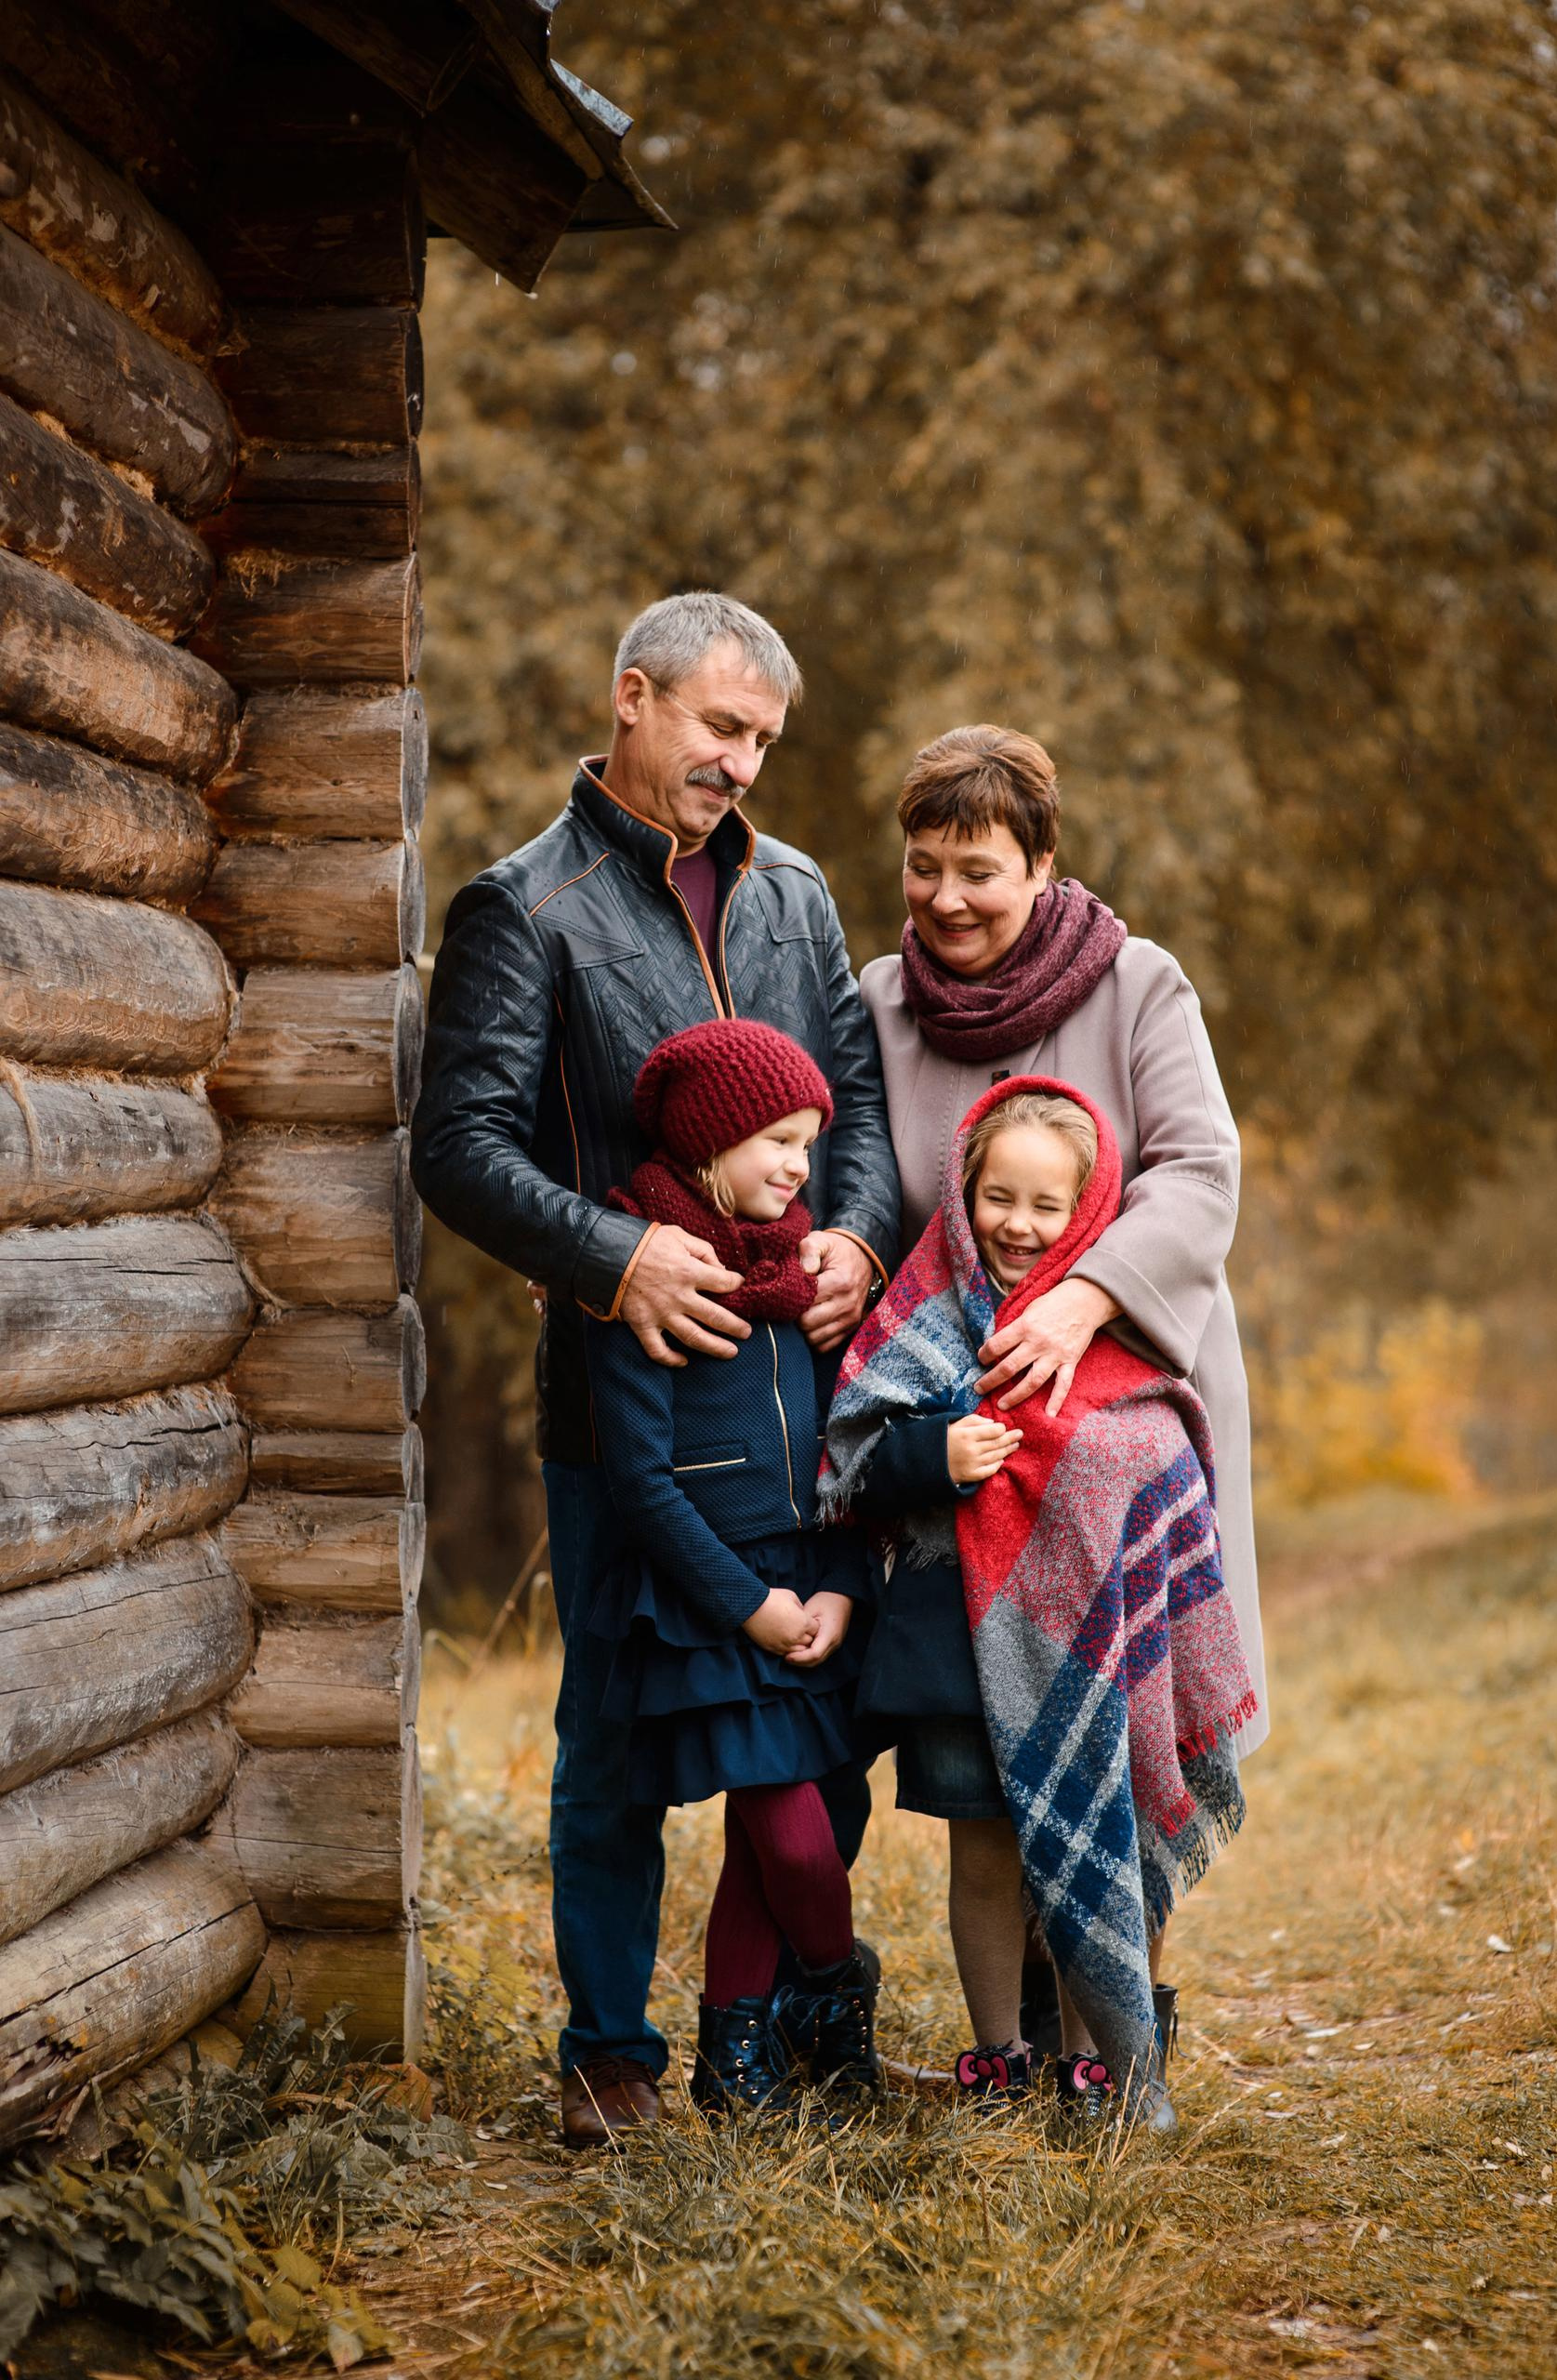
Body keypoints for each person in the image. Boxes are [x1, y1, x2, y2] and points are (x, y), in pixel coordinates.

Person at [411, 594, 900, 2148]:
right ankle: (607, 2057)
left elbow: (859, 1113)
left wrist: (858, 1237)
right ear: (632, 697)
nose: (739, 761)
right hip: (623, 1403)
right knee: (616, 1738)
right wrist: (611, 1257)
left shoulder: (797, 895)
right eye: (717, 725)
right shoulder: (524, 907)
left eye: (761, 740)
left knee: (818, 1726)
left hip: (798, 1401)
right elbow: (457, 1148)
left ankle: (774, 2027)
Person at [855, 724, 1269, 2075]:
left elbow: (1198, 1172)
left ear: (1041, 866)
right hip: (972, 1447)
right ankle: (1018, 2031)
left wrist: (1083, 1300)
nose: (946, 898)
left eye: (977, 869)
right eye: (923, 867)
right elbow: (863, 1188)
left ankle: (1116, 2024)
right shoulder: (877, 1004)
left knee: (1121, 1704)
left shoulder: (1139, 986)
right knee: (990, 1750)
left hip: (1126, 1415)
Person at [825, 1082, 1257, 2125]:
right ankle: (997, 2057)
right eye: (996, 1197)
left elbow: (1155, 1473)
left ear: (1086, 1210)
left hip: (1097, 1656)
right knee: (982, 1857)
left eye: (1045, 1205)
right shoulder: (922, 1315)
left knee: (1090, 1846)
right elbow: (852, 1459)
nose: (1016, 1225)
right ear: (960, 1193)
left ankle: (1086, 2061)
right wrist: (935, 1455)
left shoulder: (1114, 1335)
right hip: (952, 1651)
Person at [587, 1020, 879, 2113]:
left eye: (809, 1142)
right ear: (713, 1137)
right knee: (794, 1845)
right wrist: (747, 1605)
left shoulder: (801, 1274)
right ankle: (834, 1988)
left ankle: (733, 2054)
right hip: (709, 1605)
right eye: (779, 1141)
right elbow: (639, 1482)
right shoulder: (649, 1278)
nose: (801, 1166)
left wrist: (839, 1583)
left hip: (810, 1583)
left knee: (782, 1844)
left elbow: (845, 1446)